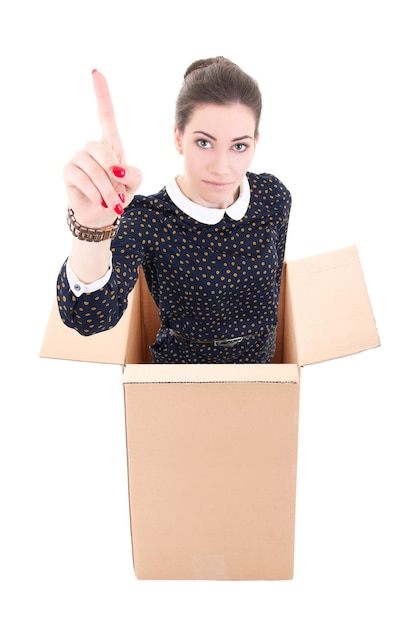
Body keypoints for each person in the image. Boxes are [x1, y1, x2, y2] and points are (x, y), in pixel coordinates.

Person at [57, 56, 292, 364]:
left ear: (255, 143)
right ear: (179, 138)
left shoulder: (272, 197)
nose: (222, 169)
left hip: (261, 380)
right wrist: (93, 231)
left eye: (239, 146)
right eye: (204, 143)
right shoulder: (149, 219)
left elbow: (273, 291)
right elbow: (90, 320)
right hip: (178, 384)